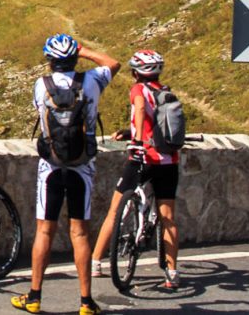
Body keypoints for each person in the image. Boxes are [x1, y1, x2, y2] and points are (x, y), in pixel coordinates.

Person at [11, 34, 120, 315]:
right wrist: (86, 52)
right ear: (74, 57)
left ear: (50, 61)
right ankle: (86, 302)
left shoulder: (40, 85)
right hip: (82, 167)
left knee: (45, 230)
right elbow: (114, 63)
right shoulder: (93, 81)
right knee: (79, 233)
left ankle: (34, 296)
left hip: (50, 167)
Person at [91, 50, 182, 289]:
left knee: (115, 210)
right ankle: (172, 273)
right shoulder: (165, 93)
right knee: (168, 218)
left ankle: (96, 262)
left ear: (134, 73)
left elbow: (140, 109)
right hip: (168, 161)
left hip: (143, 159)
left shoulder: (138, 90)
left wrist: (138, 140)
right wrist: (130, 131)